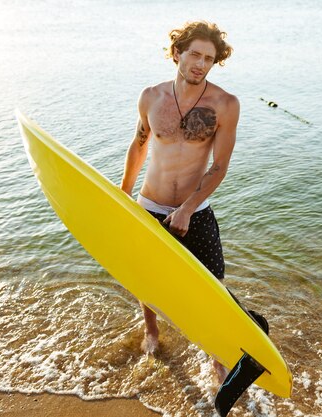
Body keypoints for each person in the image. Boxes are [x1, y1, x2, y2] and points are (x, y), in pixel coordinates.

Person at [119, 21, 239, 382]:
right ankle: (151, 330)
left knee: (212, 286)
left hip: (195, 211)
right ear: (177, 54)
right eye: (195, 55)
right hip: (150, 205)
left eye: (209, 58)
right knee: (146, 279)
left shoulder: (225, 105)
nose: (201, 64)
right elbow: (140, 144)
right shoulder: (150, 97)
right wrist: (123, 194)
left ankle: (217, 354)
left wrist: (187, 208)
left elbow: (219, 167)